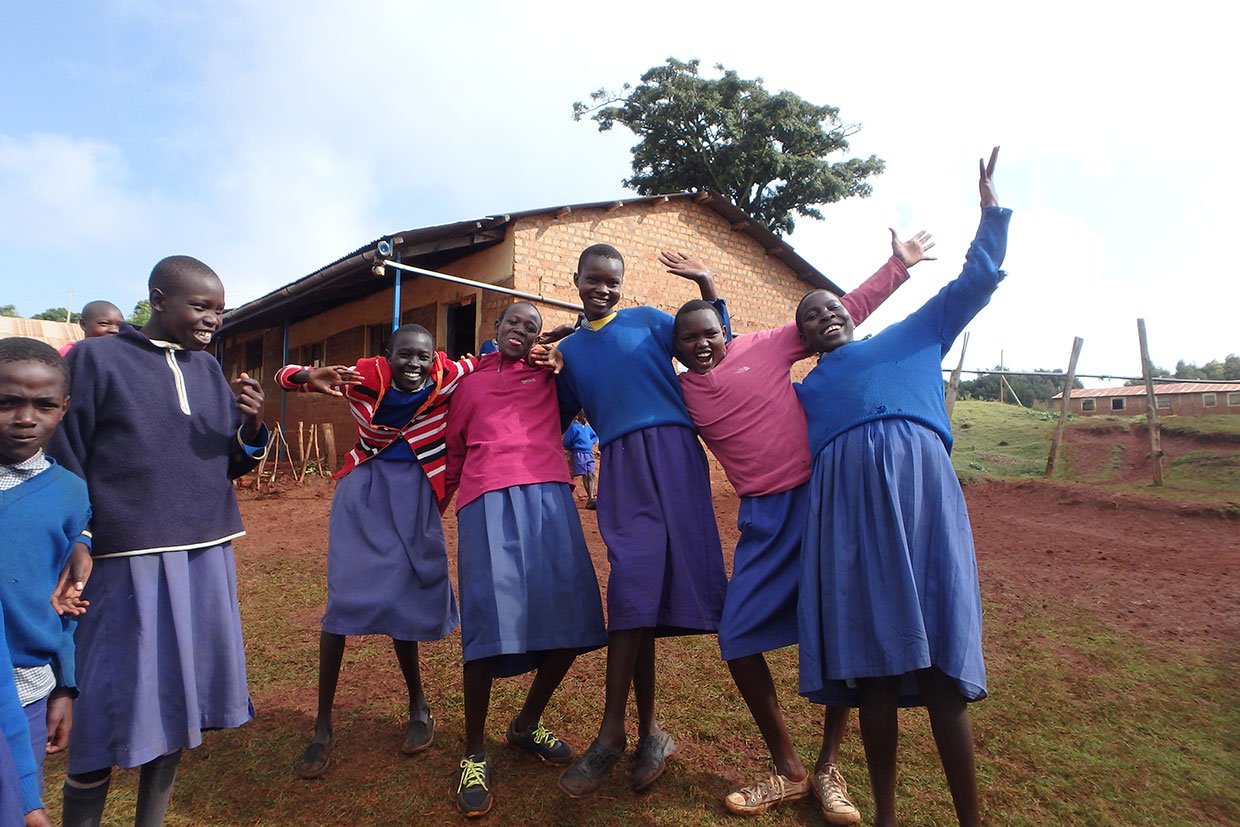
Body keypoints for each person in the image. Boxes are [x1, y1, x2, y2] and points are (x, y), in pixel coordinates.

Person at [670, 228, 934, 821]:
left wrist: (898, 265)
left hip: (824, 498)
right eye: (688, 341)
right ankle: (787, 767)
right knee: (737, 636)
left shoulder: (765, 346)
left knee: (845, 631)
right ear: (679, 350)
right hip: (763, 515)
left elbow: (835, 313)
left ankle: (826, 767)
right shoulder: (682, 391)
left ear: (724, 329)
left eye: (709, 334)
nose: (702, 346)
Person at [795, 149, 1007, 827]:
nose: (823, 314)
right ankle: (886, 815)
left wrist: (990, 211)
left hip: (922, 506)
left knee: (944, 673)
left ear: (851, 311)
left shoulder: (914, 334)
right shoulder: (808, 388)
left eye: (831, 305)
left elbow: (976, 281)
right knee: (876, 670)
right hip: (850, 522)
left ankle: (970, 817)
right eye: (809, 317)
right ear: (802, 340)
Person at [48, 255, 269, 827]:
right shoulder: (98, 360)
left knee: (178, 691)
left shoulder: (207, 370)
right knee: (106, 693)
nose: (212, 320)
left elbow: (228, 462)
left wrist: (249, 427)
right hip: (126, 554)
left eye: (220, 310)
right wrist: (81, 532)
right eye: (201, 306)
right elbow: (67, 453)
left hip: (204, 549)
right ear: (158, 299)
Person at [550, 243, 727, 798]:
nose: (603, 287)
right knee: (631, 586)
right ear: (577, 279)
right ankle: (610, 734)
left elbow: (711, 344)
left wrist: (707, 284)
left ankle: (648, 732)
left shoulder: (651, 322)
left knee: (653, 596)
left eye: (612, 280)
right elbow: (552, 414)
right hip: (623, 463)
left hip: (676, 456)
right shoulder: (570, 353)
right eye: (593, 279)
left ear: (622, 283)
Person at [275, 324, 476, 780]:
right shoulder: (362, 375)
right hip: (364, 490)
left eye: (422, 357)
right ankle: (322, 727)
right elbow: (283, 374)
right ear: (388, 354)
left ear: (434, 358)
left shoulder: (448, 374)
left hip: (415, 495)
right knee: (342, 602)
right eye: (404, 354)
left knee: (403, 597)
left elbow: (487, 359)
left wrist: (556, 341)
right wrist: (309, 376)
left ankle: (419, 706)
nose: (414, 364)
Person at [444, 301, 607, 817]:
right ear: (496, 329)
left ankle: (525, 723)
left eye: (532, 327)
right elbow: (452, 449)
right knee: (488, 628)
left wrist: (561, 346)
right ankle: (474, 752)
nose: (522, 331)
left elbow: (590, 347)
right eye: (513, 322)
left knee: (575, 620)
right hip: (486, 499)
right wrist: (435, 506)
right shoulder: (467, 384)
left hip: (551, 498)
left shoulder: (549, 377)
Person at [0, 337, 91, 827]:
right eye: (6, 402)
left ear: (64, 409)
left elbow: (67, 601)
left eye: (43, 405)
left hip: (29, 686)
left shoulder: (70, 492)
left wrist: (65, 686)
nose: (25, 418)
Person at [58, 301, 124, 356]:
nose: (115, 330)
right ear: (83, 324)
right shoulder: (69, 353)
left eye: (120, 325)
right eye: (104, 323)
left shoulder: (124, 354)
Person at [561, 412, 598, 508]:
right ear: (578, 416)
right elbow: (566, 442)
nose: (586, 418)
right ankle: (566, 498)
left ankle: (591, 497)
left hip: (589, 453)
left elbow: (595, 436)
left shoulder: (586, 427)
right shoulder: (574, 427)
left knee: (591, 473)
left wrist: (590, 442)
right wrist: (575, 447)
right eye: (584, 416)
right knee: (583, 474)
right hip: (579, 453)